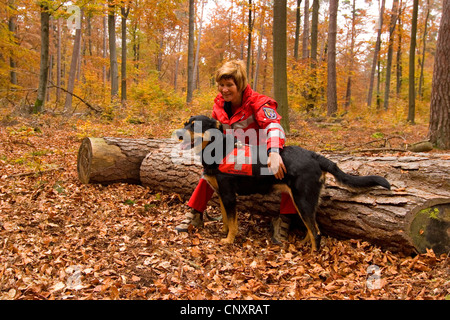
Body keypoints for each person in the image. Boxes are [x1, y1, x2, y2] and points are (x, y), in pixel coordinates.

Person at [175, 60, 297, 243]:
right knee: (210, 172)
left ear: (240, 85)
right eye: (221, 85)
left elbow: (274, 127)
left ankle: (284, 219)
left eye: (229, 85)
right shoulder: (219, 106)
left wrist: (274, 152)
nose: (224, 90)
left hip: (261, 154)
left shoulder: (259, 102)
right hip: (235, 154)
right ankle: (196, 213)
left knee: (289, 169)